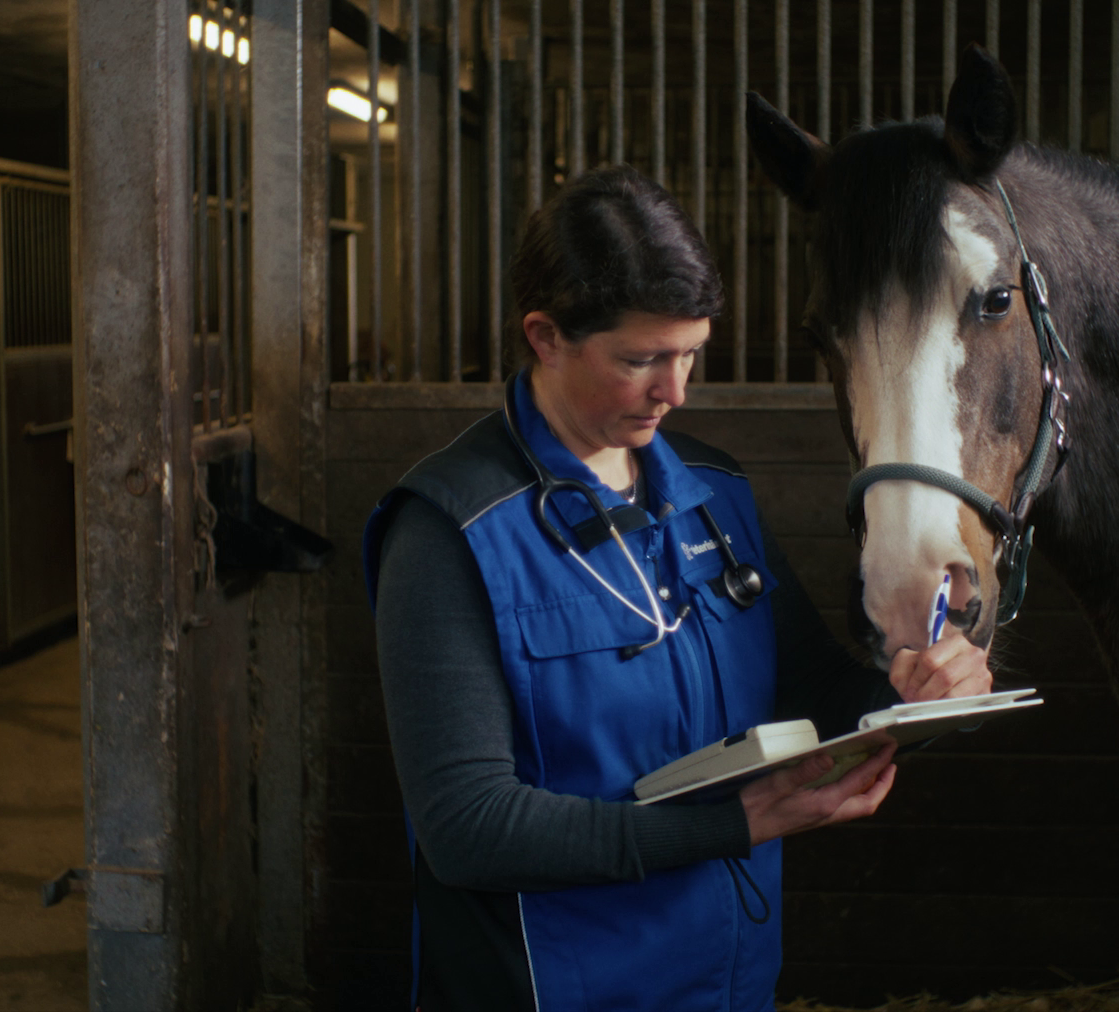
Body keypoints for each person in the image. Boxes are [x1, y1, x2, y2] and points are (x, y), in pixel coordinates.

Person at [363, 165, 992, 1012]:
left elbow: (821, 692)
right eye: (640, 360)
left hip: (726, 980)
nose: (676, 391)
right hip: (557, 988)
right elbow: (469, 830)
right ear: (545, 335)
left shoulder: (713, 492)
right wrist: (737, 825)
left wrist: (917, 699)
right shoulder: (451, 533)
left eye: (691, 354)